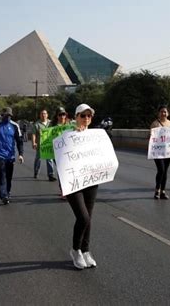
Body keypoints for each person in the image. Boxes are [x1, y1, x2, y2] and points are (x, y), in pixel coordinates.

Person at [67, 103, 99, 270]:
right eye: (83, 115)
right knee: (83, 217)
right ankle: (75, 250)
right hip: (73, 182)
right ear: (76, 117)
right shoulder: (67, 134)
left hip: (91, 180)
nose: (86, 118)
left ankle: (86, 250)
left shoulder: (95, 136)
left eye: (89, 116)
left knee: (89, 217)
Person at [0, 107, 24, 204]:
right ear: (2, 115)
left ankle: (7, 191)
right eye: (6, 116)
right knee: (3, 173)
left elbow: (19, 141)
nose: (8, 118)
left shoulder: (15, 126)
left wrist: (21, 154)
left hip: (10, 155)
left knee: (9, 176)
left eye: (9, 116)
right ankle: (3, 194)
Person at [149, 105, 170, 200]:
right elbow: (151, 137)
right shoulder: (155, 124)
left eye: (165, 112)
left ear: (168, 113)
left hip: (168, 151)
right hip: (158, 151)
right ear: (158, 113)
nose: (163, 113)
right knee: (161, 170)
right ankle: (157, 190)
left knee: (165, 172)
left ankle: (163, 191)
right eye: (161, 111)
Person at [50, 107, 72, 199]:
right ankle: (63, 190)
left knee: (69, 171)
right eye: (60, 115)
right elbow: (47, 139)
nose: (62, 116)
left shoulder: (70, 125)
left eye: (64, 114)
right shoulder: (52, 127)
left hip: (69, 153)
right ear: (57, 116)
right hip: (58, 153)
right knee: (61, 172)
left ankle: (70, 189)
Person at [32, 109, 56, 181]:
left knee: (49, 159)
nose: (43, 115)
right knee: (38, 159)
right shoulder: (37, 124)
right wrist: (34, 142)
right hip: (40, 145)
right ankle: (36, 172)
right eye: (42, 114)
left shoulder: (51, 123)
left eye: (45, 113)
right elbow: (34, 134)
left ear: (47, 115)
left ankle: (50, 175)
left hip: (49, 145)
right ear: (40, 115)